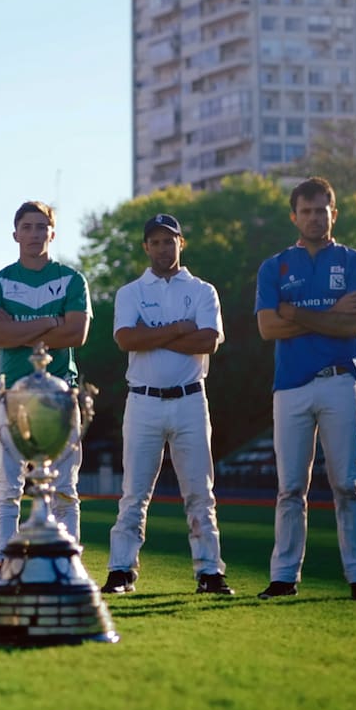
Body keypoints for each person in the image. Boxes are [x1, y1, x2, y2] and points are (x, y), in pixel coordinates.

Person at [254, 176, 356, 602]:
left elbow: (353, 325)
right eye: (305, 210)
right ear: (294, 216)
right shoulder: (274, 266)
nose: (313, 217)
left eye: (321, 209)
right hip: (289, 387)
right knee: (290, 488)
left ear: (333, 213)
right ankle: (284, 577)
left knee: (347, 483)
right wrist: (329, 312)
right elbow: (268, 327)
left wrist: (298, 313)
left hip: (340, 380)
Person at [101, 213, 232, 595]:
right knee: (134, 492)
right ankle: (121, 570)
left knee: (199, 493)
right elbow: (126, 339)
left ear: (181, 242)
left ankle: (210, 571)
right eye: (155, 241)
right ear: (146, 247)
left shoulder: (203, 290)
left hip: (191, 398)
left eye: (168, 240)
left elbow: (208, 341)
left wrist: (152, 335)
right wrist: (178, 329)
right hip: (143, 401)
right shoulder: (130, 292)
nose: (162, 247)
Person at [0, 200, 91, 580]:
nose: (34, 234)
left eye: (42, 227)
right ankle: (2, 563)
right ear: (15, 234)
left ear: (52, 233)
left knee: (64, 486)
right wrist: (50, 322)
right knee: (7, 485)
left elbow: (77, 333)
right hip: (10, 394)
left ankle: (67, 561)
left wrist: (19, 328)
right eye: (27, 227)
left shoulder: (72, 279)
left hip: (61, 395)